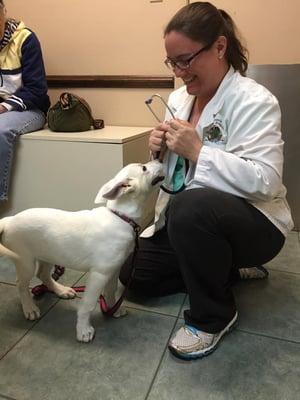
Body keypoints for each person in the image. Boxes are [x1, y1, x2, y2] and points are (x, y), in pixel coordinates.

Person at [120, 1, 294, 360]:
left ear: (218, 47)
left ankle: (213, 316)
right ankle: (223, 268)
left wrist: (200, 151)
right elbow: (176, 176)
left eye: (186, 59)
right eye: (173, 62)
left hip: (255, 224)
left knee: (192, 206)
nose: (180, 71)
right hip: (193, 222)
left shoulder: (255, 100)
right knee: (134, 275)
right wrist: (159, 154)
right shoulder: (179, 98)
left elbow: (266, 181)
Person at [0, 0, 50, 201]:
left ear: (3, 14)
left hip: (30, 109)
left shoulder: (25, 39)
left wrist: (4, 106)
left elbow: (37, 90)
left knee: (1, 129)